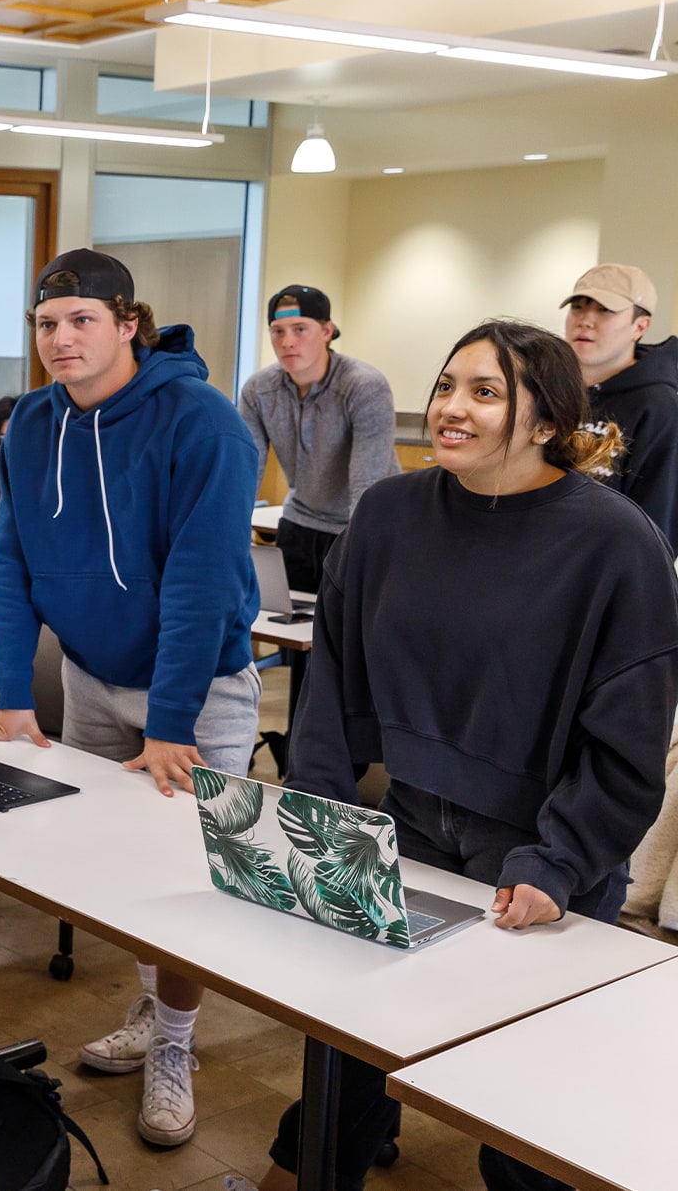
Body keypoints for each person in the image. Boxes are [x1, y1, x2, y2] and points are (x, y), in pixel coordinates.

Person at [225, 320, 678, 1191]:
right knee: (353, 1033)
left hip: (544, 849)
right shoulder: (392, 513)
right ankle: (312, 1168)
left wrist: (560, 861)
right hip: (409, 824)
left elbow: (629, 747)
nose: (451, 409)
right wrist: (315, 813)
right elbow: (335, 682)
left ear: (547, 421)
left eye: (485, 392)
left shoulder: (616, 544)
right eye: (445, 386)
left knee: (522, 1095)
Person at [0, 247, 261, 1149]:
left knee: (188, 883)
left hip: (198, 690)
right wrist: (16, 692)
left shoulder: (203, 423)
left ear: (129, 323)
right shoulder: (29, 426)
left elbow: (201, 583)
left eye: (82, 320)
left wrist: (171, 724)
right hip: (92, 678)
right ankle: (152, 1008)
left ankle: (175, 1043)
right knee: (121, 873)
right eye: (47, 324)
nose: (61, 339)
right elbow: (9, 561)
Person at [237, 285, 399, 595]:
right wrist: (232, 536)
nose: (287, 342)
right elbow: (246, 470)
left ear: (327, 331)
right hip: (300, 521)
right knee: (287, 626)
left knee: (346, 636)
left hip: (363, 527)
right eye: (277, 331)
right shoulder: (259, 390)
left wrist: (360, 553)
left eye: (300, 329)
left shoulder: (364, 386)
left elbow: (367, 484)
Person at [561, 262, 678, 549]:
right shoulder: (552, 390)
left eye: (605, 310)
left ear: (640, 326)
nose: (585, 320)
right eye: (578, 306)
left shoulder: (659, 406)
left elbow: (657, 529)